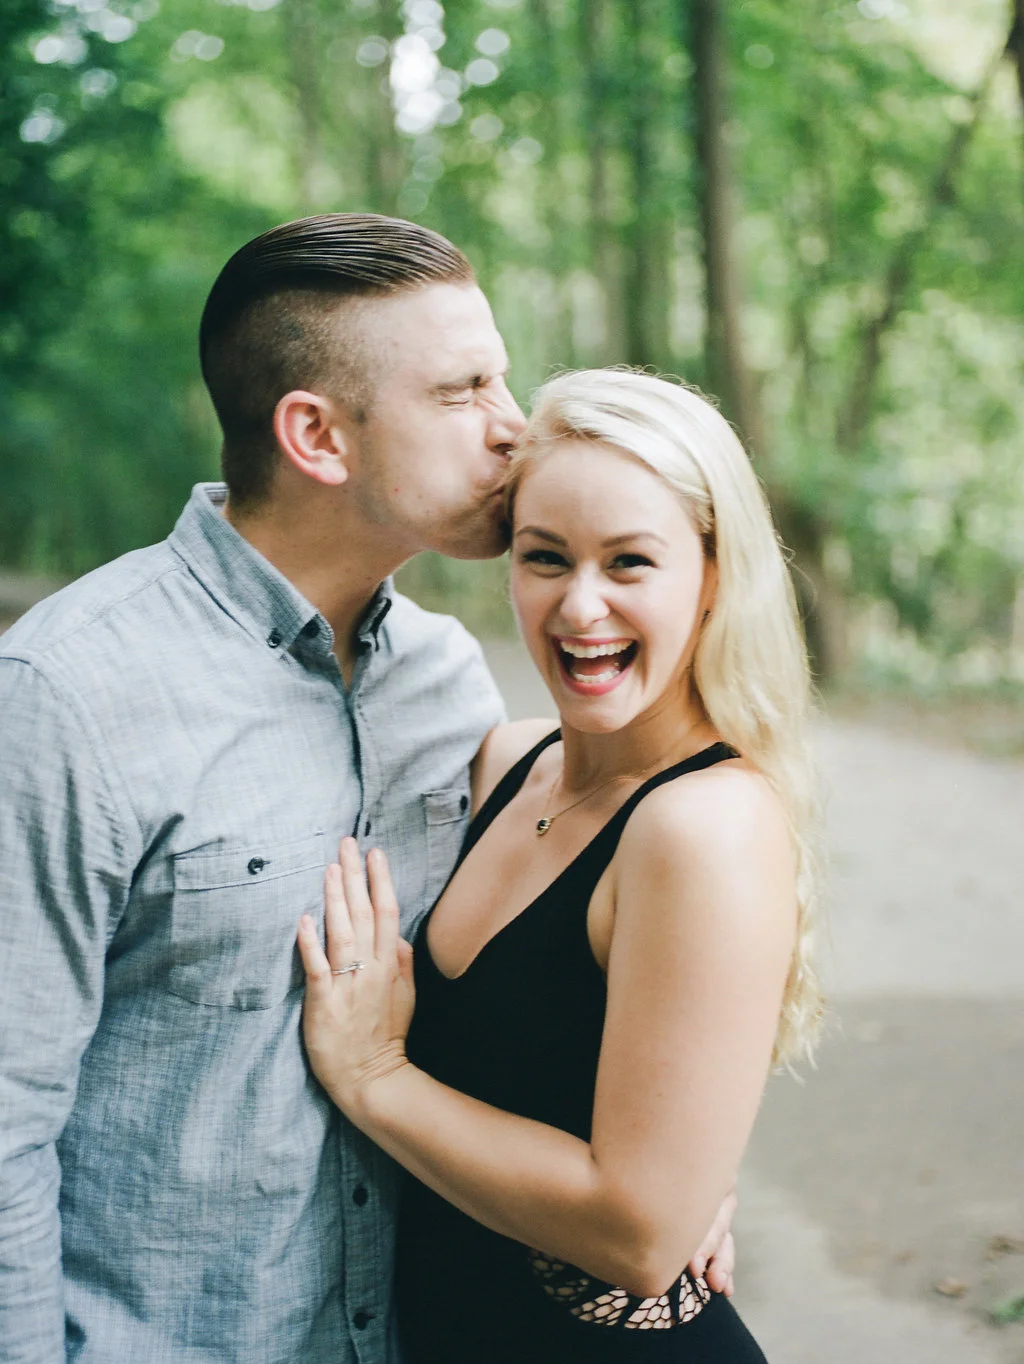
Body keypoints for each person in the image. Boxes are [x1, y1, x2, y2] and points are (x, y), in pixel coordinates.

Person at [0, 216, 734, 1363]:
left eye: (502, 378)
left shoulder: (447, 683)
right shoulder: (70, 695)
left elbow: (529, 983)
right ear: (317, 436)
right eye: (463, 389)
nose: (511, 425)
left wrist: (670, 1171)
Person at [297, 367, 824, 1362]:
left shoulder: (704, 827)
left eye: (630, 562)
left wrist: (374, 1075)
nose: (581, 606)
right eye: (546, 557)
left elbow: (642, 1235)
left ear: (713, 576)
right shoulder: (505, 762)